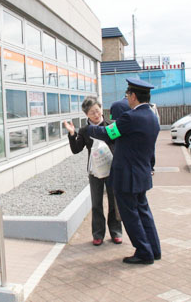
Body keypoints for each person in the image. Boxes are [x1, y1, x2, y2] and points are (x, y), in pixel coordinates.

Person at [87, 78, 160, 265]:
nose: (127, 98)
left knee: (131, 216)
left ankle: (144, 252)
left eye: (128, 95)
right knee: (144, 212)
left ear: (134, 96)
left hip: (127, 177)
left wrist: (89, 128)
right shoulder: (152, 116)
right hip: (141, 174)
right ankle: (154, 249)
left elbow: (107, 133)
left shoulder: (131, 117)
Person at [63, 97, 122, 246]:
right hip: (94, 171)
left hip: (112, 170)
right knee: (96, 203)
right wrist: (72, 134)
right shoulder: (84, 130)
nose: (96, 115)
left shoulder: (111, 125)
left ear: (101, 109)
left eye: (97, 111)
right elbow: (76, 149)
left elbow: (119, 145)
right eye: (92, 113)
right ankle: (98, 234)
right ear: (86, 115)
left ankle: (116, 232)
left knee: (113, 201)